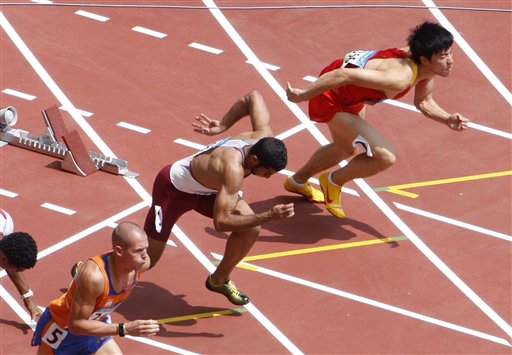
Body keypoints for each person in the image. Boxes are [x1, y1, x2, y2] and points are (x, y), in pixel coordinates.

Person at [284, 21, 469, 218]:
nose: (450, 60)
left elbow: (423, 101)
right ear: (424, 59)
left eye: (450, 52)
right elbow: (344, 74)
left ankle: (296, 181)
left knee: (344, 148)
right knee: (386, 156)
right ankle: (333, 181)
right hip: (331, 95)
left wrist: (446, 118)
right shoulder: (400, 78)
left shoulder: (425, 64)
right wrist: (303, 95)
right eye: (443, 56)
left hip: (351, 97)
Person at [144, 90, 294, 306]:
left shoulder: (263, 136)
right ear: (254, 159)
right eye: (268, 172)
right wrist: (268, 215)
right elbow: (221, 223)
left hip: (210, 190)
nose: (269, 177)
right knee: (148, 260)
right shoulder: (232, 169)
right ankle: (98, 267)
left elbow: (253, 96)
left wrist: (223, 125)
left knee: (251, 228)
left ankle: (218, 280)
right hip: (174, 189)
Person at [32, 221, 160, 354]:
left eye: (146, 248)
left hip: (94, 327)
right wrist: (125, 328)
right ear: (119, 251)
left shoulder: (141, 265)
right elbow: (75, 325)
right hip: (63, 330)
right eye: (138, 251)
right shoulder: (94, 277)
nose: (145, 256)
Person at [0, 208, 41, 321]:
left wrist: (28, 299)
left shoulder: (6, 222)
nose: (16, 271)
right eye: (17, 268)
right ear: (4, 258)